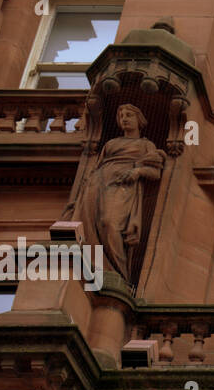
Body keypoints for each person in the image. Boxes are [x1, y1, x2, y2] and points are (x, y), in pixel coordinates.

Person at [66, 103, 165, 281]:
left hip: (123, 185)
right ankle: (94, 268)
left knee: (110, 224)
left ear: (139, 120)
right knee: (89, 226)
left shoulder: (146, 145)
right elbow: (96, 166)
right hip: (98, 183)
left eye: (129, 115)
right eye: (121, 116)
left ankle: (118, 275)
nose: (124, 119)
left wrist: (137, 172)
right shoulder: (111, 144)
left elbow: (155, 171)